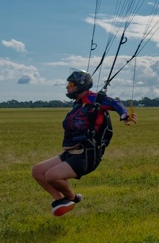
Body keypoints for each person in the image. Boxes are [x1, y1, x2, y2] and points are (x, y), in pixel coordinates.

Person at [31, 70, 133, 216]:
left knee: (52, 175)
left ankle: (72, 198)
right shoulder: (78, 104)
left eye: (71, 84)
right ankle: (62, 201)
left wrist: (124, 115)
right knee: (38, 171)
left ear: (81, 85)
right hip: (71, 152)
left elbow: (115, 103)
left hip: (86, 154)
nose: (67, 87)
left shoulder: (95, 99)